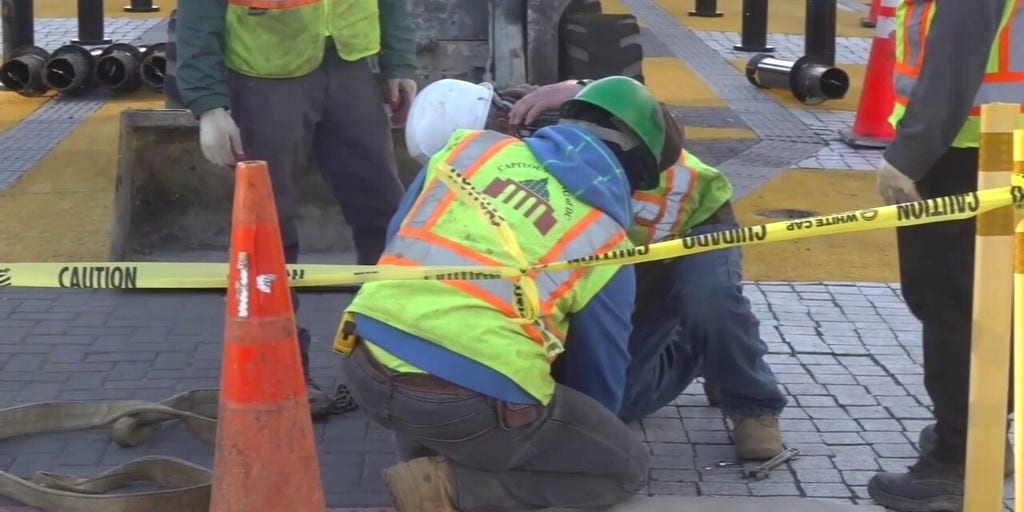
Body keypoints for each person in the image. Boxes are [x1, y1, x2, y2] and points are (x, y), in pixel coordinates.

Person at [335, 76, 684, 511]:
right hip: (464, 403)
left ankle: (427, 462)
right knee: (621, 466)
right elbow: (599, 386)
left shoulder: (468, 149)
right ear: (635, 171)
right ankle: (450, 490)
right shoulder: (606, 241)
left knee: (430, 363)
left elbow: (396, 245)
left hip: (364, 358)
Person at [451, 80, 789, 461]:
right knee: (623, 397)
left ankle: (753, 406)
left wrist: (581, 87)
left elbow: (660, 120)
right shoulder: (496, 173)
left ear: (502, 122)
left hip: (695, 218)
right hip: (626, 248)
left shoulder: (564, 113)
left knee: (707, 299)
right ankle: (696, 349)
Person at [175, 0, 418, 417]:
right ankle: (279, 369)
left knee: (386, 216)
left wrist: (398, 59)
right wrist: (208, 104)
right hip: (266, 73)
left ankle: (388, 357)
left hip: (350, 65)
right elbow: (199, 10)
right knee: (269, 229)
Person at [867, 0, 1024, 509]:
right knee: (992, 298)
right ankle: (980, 439)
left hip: (967, 151)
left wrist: (908, 154)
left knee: (953, 302)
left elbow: (956, 54)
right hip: (998, 145)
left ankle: (954, 462)